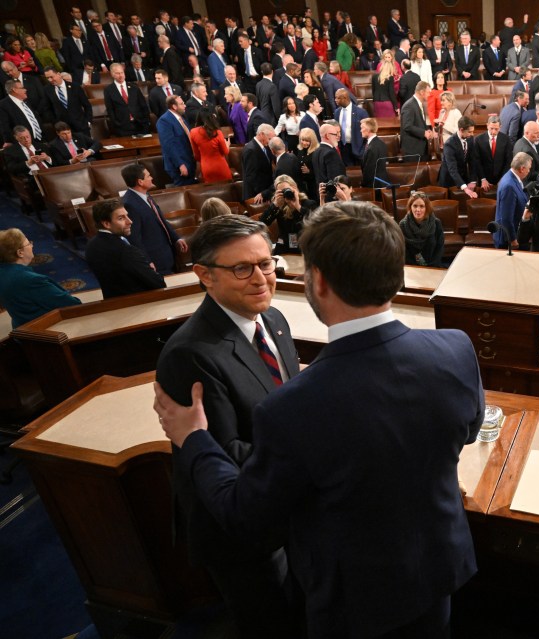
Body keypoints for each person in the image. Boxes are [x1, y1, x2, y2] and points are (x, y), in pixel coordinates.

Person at [156, 199, 484, 639]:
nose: (264, 277)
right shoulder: (456, 349)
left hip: (355, 597)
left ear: (319, 281)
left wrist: (193, 439)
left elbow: (245, 512)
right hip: (438, 566)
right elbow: (462, 431)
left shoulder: (293, 409)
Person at [153, 215, 298, 639]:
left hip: (283, 502)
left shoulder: (274, 321)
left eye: (266, 263)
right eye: (241, 268)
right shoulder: (190, 354)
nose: (261, 279)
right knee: (270, 622)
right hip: (238, 527)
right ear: (204, 276)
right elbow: (221, 452)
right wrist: (314, 454)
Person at [85, 199, 167, 298]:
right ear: (106, 224)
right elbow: (158, 283)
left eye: (127, 216)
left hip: (112, 303)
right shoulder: (126, 251)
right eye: (121, 218)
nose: (130, 221)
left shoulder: (91, 245)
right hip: (139, 304)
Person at [0, 229, 80, 328]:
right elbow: (72, 305)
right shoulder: (31, 280)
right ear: (20, 252)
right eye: (28, 243)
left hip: (22, 330)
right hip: (46, 331)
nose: (32, 245)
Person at [120, 163, 187, 275]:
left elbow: (161, 220)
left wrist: (176, 238)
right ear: (140, 182)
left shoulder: (145, 195)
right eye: (148, 176)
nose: (151, 178)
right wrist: (147, 261)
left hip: (166, 253)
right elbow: (134, 238)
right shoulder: (129, 204)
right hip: (155, 261)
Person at [261, 174, 316, 254]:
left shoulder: (308, 204)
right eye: (282, 192)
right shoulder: (279, 206)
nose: (286, 194)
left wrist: (297, 206)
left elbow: (314, 223)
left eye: (287, 190)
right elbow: (263, 222)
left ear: (295, 188)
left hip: (303, 248)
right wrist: (275, 205)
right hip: (284, 248)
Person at [157, 95, 198, 186]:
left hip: (189, 161)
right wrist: (180, 164)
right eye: (182, 104)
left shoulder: (181, 118)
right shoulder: (164, 121)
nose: (185, 106)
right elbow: (169, 145)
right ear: (174, 106)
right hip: (179, 166)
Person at [494, 152, 532, 248]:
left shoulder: (512, 178)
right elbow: (506, 217)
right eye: (529, 169)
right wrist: (512, 239)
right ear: (522, 168)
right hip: (507, 240)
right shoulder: (509, 186)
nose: (529, 171)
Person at [103, 62, 151, 136]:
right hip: (122, 128)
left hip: (140, 125)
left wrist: (146, 121)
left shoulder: (134, 87)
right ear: (112, 74)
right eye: (117, 73)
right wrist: (117, 123)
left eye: (122, 72)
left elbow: (143, 105)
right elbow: (110, 109)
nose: (121, 75)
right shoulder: (108, 90)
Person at [399, 190, 444, 266]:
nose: (418, 210)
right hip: (413, 267)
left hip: (434, 266)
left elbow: (439, 248)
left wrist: (432, 266)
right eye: (415, 206)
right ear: (410, 207)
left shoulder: (436, 223)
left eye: (422, 206)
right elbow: (404, 251)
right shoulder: (403, 224)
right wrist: (417, 268)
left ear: (427, 208)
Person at [438, 116, 478, 198]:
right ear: (461, 130)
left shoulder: (470, 139)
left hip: (463, 176)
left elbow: (472, 161)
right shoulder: (449, 144)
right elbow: (452, 169)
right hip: (448, 180)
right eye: (469, 132)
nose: (472, 134)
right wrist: (465, 188)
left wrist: (473, 180)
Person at [191, 109, 232, 183]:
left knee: (211, 191)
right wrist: (227, 145)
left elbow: (196, 155)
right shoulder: (217, 132)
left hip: (206, 167)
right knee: (226, 189)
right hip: (220, 166)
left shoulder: (193, 132)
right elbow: (225, 152)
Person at [399, 81, 436, 161]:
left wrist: (427, 130)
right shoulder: (409, 105)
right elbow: (407, 126)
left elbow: (419, 122)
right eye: (428, 92)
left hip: (420, 148)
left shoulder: (419, 104)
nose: (429, 95)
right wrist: (423, 133)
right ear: (422, 92)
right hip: (412, 150)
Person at [242, 123, 277, 203]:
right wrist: (261, 194)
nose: (271, 141)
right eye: (269, 138)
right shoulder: (250, 150)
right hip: (255, 196)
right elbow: (251, 176)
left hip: (264, 193)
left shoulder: (265, 147)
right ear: (261, 134)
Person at [371, 51, 399, 117]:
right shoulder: (390, 77)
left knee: (379, 124)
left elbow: (373, 90)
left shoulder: (374, 76)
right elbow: (391, 93)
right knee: (391, 123)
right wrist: (396, 106)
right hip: (387, 102)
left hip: (376, 102)